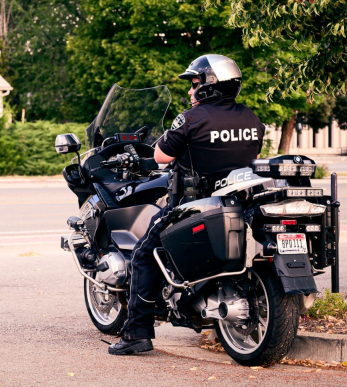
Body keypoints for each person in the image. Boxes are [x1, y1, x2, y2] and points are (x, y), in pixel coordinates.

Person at [108, 54, 266, 355]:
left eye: (195, 84)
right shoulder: (251, 118)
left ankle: (137, 333)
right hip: (240, 202)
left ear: (210, 86)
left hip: (195, 203)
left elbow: (161, 157)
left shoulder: (191, 118)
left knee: (144, 254)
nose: (190, 92)